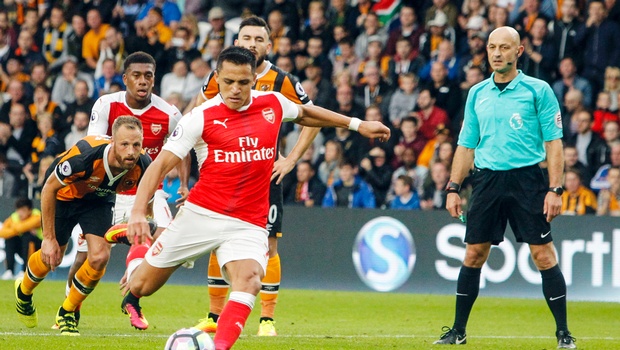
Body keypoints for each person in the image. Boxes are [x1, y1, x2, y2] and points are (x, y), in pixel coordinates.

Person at [122, 46, 390, 350]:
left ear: (254, 80)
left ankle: (219, 347)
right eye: (228, 82)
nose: (235, 90)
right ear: (218, 79)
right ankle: (136, 259)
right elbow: (158, 166)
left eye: (243, 82)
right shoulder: (200, 118)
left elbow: (306, 113)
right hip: (201, 215)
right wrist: (136, 214)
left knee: (249, 279)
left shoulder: (273, 103)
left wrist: (357, 124)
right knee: (141, 285)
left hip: (248, 221)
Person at [435, 26, 576, 349]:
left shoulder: (538, 90)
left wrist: (555, 190)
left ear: (519, 51)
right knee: (473, 254)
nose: (497, 53)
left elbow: (554, 143)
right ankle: (458, 331)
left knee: (543, 255)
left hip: (528, 180)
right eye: (491, 47)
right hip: (486, 180)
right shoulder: (477, 93)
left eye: (504, 47)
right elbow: (466, 144)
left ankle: (563, 333)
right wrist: (453, 187)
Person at [192, 16, 321, 337]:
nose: (251, 43)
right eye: (246, 38)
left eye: (258, 39)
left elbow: (313, 118)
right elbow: (197, 111)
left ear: (268, 45)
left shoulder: (283, 81)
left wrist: (290, 160)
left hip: (264, 177)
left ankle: (267, 318)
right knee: (216, 242)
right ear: (237, 42)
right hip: (224, 175)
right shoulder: (219, 76)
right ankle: (213, 315)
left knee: (269, 245)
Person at [57, 52, 186, 328]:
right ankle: (69, 308)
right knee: (86, 258)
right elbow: (93, 145)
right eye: (137, 76)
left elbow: (182, 149)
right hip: (106, 192)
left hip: (148, 191)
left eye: (148, 76)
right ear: (125, 78)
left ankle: (133, 297)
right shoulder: (106, 104)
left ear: (154, 78)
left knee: (160, 233)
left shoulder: (170, 114)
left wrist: (185, 185)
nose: (143, 81)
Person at [14, 116, 151, 335]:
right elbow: (48, 188)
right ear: (113, 142)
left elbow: (148, 198)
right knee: (53, 256)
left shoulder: (144, 165)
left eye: (136, 145)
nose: (131, 151)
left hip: (98, 201)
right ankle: (23, 293)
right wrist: (48, 238)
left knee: (99, 257)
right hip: (63, 196)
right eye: (125, 144)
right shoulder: (85, 156)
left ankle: (67, 312)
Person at [0, 198, 42, 280]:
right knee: (10, 239)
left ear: (30, 210)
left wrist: (14, 227)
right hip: (22, 248)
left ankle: (25, 271)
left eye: (23, 210)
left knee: (27, 236)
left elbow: (24, 227)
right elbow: (2, 233)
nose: (20, 213)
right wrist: (20, 229)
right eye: (19, 210)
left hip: (38, 248)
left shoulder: (37, 215)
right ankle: (10, 271)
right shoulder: (14, 217)